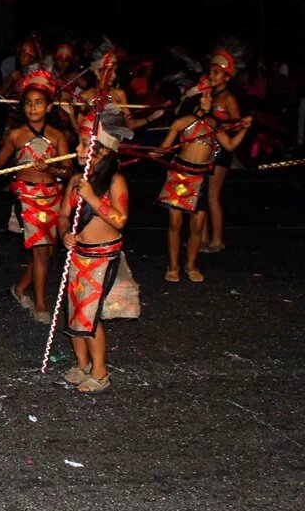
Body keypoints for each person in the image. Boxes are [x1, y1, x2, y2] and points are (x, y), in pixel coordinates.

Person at [0, 70, 71, 322]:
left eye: (38, 103)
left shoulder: (57, 136)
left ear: (48, 107)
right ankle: (40, 305)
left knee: (47, 254)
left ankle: (19, 289)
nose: (33, 107)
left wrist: (51, 169)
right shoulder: (16, 135)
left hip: (53, 198)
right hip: (27, 198)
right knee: (40, 253)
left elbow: (68, 170)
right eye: (28, 103)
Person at [57, 107, 133, 393]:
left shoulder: (115, 181)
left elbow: (120, 220)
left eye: (85, 144)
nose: (78, 149)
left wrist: (90, 197)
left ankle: (100, 373)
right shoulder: (76, 180)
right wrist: (64, 234)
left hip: (102, 257)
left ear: (104, 150)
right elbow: (63, 216)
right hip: (78, 254)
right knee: (73, 311)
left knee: (89, 314)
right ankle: (82, 364)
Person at [155, 87, 250, 283]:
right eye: (205, 96)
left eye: (210, 97)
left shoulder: (214, 125)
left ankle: (191, 265)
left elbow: (230, 146)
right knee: (175, 224)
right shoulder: (182, 122)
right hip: (179, 176)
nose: (209, 100)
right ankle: (173, 266)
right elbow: (165, 148)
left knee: (197, 226)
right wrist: (156, 152)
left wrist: (244, 129)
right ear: (197, 100)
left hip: (200, 179)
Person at [200, 47, 243, 253]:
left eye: (216, 72)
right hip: (205, 150)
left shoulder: (228, 98)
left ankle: (217, 240)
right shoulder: (210, 95)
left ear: (226, 77)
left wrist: (220, 125)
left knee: (212, 196)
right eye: (210, 71)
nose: (211, 75)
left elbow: (238, 124)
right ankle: (202, 238)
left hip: (220, 151)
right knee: (202, 194)